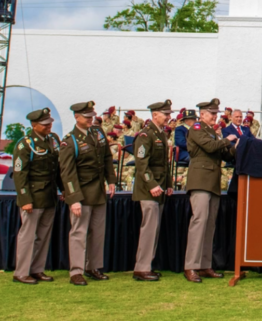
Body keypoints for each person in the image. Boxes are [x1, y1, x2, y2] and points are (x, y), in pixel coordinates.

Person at [59, 101, 117, 286]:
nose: (91, 119)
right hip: (82, 193)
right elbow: (67, 172)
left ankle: (93, 267)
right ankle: (76, 271)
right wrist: (74, 198)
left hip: (98, 191)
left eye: (92, 116)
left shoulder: (98, 132)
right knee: (79, 232)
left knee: (97, 232)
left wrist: (112, 181)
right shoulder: (70, 140)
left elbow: (107, 157)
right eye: (87, 117)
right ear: (77, 117)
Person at [184, 98, 238, 283]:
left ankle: (205, 265)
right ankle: (190, 266)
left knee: (209, 225)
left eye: (216, 113)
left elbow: (223, 154)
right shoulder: (197, 129)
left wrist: (236, 147)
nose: (216, 116)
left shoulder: (213, 132)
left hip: (212, 182)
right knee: (199, 223)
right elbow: (209, 147)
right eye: (212, 113)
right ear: (202, 114)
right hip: (200, 181)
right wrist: (226, 140)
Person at [11, 108, 63, 285]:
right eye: (45, 124)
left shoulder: (53, 140)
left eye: (50, 123)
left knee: (43, 235)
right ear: (34, 125)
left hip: (49, 196)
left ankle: (37, 269)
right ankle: (21, 272)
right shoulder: (25, 144)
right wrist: (25, 200)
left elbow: (56, 169)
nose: (49, 126)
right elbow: (20, 174)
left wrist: (63, 190)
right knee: (28, 235)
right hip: (33, 196)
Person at [131, 100, 175, 282]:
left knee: (154, 228)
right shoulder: (145, 135)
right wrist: (152, 185)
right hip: (148, 189)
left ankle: (147, 265)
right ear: (155, 114)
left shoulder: (160, 134)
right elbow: (141, 164)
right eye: (165, 114)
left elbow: (164, 164)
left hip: (159, 187)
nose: (169, 117)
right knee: (149, 228)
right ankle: (141, 268)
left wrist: (169, 183)